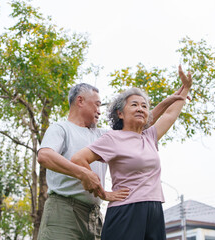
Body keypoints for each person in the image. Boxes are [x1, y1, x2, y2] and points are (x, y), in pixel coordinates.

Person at [37, 82, 185, 240]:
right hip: (64, 209)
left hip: (94, 214)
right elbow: (45, 156)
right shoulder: (61, 128)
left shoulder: (105, 135)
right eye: (97, 105)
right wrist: (84, 174)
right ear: (80, 101)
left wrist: (168, 101)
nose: (99, 112)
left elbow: (138, 125)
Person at [71, 65, 192, 240]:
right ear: (120, 113)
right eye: (134, 105)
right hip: (126, 209)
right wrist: (102, 192)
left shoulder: (149, 137)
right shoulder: (113, 138)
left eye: (144, 106)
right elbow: (78, 159)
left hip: (154, 209)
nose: (140, 109)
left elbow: (170, 114)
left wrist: (185, 88)